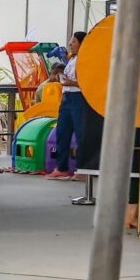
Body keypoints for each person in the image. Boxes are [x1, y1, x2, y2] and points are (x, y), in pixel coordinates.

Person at [46, 31, 89, 180]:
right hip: (67, 97)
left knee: (81, 134)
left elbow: (89, 83)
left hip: (78, 97)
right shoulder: (72, 59)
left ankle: (83, 168)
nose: (70, 44)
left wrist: (73, 83)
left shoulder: (86, 59)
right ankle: (61, 167)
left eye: (74, 42)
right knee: (62, 132)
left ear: (82, 43)